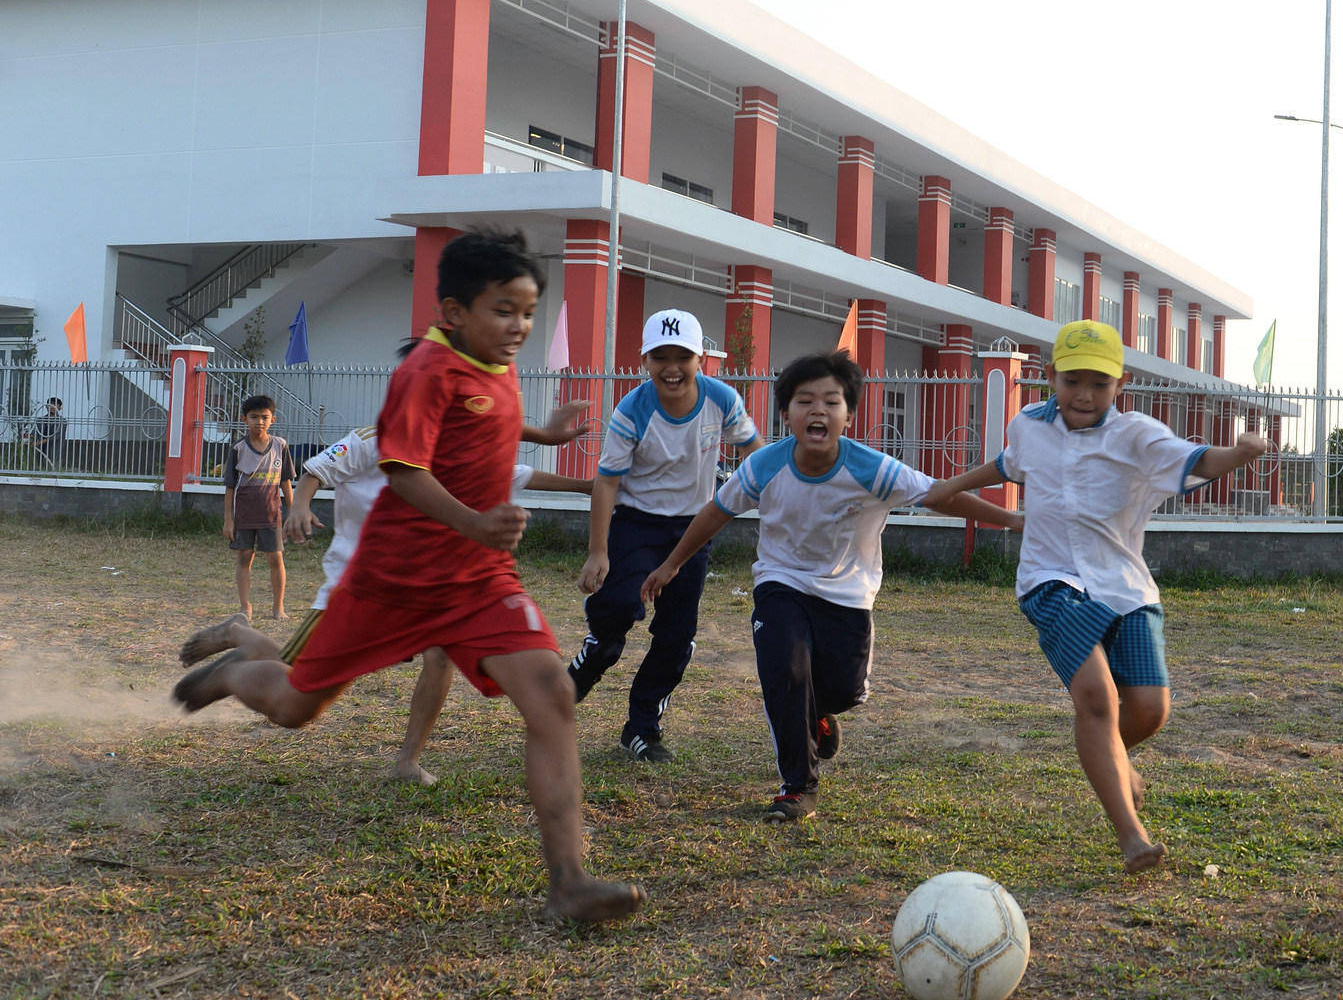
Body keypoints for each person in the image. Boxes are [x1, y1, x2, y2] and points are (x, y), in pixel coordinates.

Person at [172, 229, 644, 923]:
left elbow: (490, 426)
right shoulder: (424, 371)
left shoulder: (498, 360)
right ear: (453, 312)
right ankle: (236, 670)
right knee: (300, 707)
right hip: (392, 580)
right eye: (504, 310)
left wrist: (546, 434)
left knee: (552, 697)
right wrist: (477, 521)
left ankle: (568, 883)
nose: (519, 327)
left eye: (527, 311)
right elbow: (405, 470)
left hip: (479, 578)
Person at [925, 320, 1271, 873]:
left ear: (1121, 383)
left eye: (1099, 383)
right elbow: (1009, 464)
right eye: (1072, 380)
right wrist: (954, 486)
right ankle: (1132, 836)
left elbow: (1197, 460)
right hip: (1050, 580)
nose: (1084, 395)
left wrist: (1241, 453)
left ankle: (1104, 754)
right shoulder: (1027, 426)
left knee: (1150, 712)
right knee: (1096, 699)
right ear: (1049, 377)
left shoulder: (1137, 435)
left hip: (1124, 586)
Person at [637, 349, 1020, 822]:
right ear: (786, 414)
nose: (818, 410)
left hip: (847, 594)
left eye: (831, 401)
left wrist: (1011, 520)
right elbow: (717, 511)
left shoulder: (872, 469)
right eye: (804, 400)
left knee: (841, 691)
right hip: (781, 582)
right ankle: (798, 787)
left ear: (849, 415)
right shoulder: (764, 466)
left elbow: (939, 496)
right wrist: (672, 565)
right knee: (785, 672)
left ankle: (820, 714)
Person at [183, 421, 592, 786]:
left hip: (425, 590)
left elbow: (520, 474)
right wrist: (301, 507)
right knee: (293, 694)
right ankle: (239, 637)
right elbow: (315, 470)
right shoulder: (372, 440)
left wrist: (591, 485)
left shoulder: (460, 448)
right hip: (358, 588)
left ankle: (407, 762)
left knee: (440, 656)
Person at [572, 308, 762, 763]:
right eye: (661, 356)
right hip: (636, 522)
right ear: (644, 360)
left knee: (677, 636)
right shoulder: (631, 410)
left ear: (700, 360)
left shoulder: (722, 399)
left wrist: (783, 493)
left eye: (683, 356)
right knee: (618, 606)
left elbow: (755, 454)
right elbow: (607, 482)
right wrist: (598, 551)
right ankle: (596, 652)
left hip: (692, 530)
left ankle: (642, 729)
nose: (671, 367)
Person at [221, 394, 294, 621]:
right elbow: (230, 487)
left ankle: (278, 607)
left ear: (273, 418)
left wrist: (294, 511)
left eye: (264, 417)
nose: (259, 422)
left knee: (275, 559)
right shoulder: (237, 448)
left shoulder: (280, 446)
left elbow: (285, 482)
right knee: (244, 557)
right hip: (243, 516)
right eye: (254, 417)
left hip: (271, 516)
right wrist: (228, 519)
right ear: (244, 419)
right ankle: (245, 607)